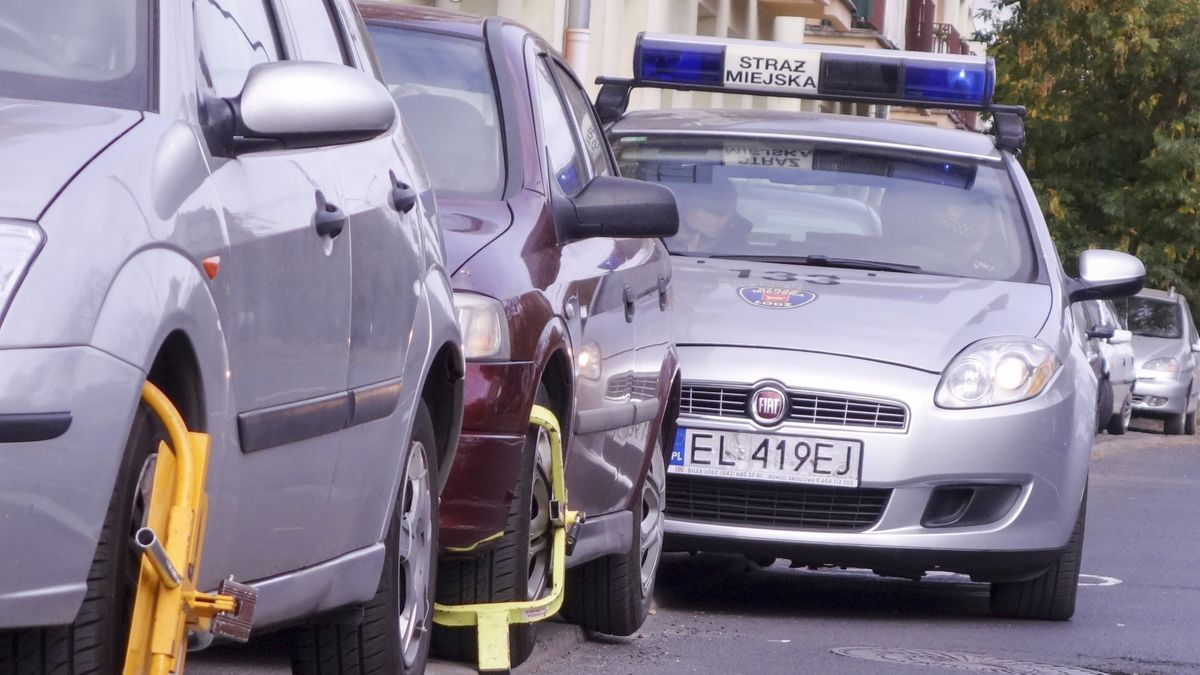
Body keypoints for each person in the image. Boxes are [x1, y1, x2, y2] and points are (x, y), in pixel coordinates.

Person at [669, 180, 753, 254]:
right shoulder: (658, 235)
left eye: (706, 239)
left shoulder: (738, 252)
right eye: (689, 230)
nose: (692, 249)